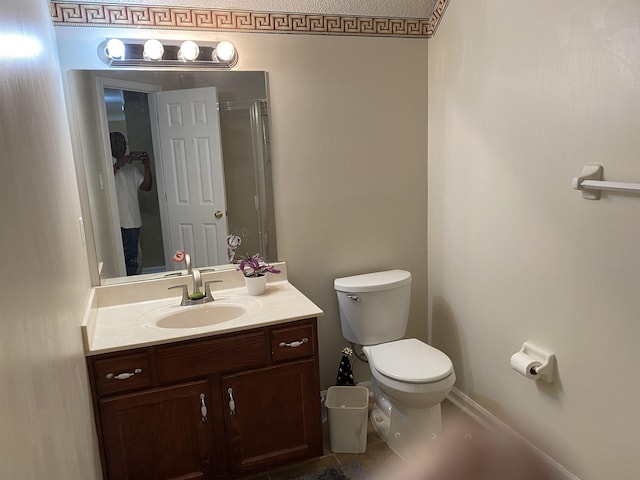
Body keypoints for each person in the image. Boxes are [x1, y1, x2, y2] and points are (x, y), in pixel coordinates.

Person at [110, 131, 152, 276]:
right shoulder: (105, 166)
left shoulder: (132, 169)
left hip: (133, 221)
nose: (121, 145)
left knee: (133, 260)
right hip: (114, 223)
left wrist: (147, 167)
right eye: (117, 142)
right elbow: (104, 184)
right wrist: (119, 164)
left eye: (123, 142)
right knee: (116, 260)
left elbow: (146, 186)